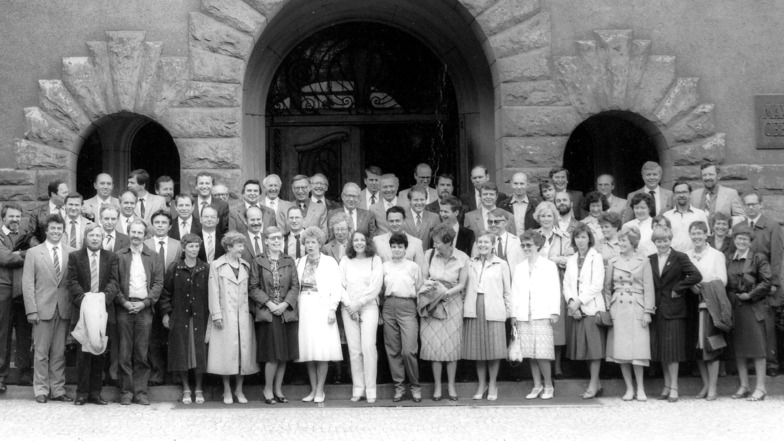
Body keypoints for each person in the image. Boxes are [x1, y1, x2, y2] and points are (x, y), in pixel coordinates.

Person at [22, 214, 73, 403]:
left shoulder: (71, 252)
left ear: (63, 231)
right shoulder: (34, 253)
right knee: (41, 352)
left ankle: (58, 389)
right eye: (52, 228)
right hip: (42, 308)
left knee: (59, 352)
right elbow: (27, 284)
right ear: (46, 230)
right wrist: (31, 310)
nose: (56, 232)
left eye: (59, 229)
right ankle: (41, 390)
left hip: (64, 308)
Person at [67, 223, 119, 405]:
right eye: (91, 236)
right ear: (86, 238)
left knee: (99, 350)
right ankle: (81, 393)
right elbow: (72, 282)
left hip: (103, 309)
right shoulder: (75, 257)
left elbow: (114, 281)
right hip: (83, 308)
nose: (95, 238)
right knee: (83, 352)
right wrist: (86, 301)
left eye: (98, 235)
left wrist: (102, 300)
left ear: (102, 238)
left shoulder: (110, 257)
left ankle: (96, 393)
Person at [648, 226, 702, 402]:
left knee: (673, 351)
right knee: (662, 351)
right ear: (654, 242)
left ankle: (674, 388)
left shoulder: (680, 257)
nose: (662, 244)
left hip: (674, 310)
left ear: (670, 240)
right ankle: (666, 386)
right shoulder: (650, 259)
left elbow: (696, 275)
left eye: (665, 240)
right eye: (658, 241)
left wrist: (678, 288)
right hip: (657, 309)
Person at [248, 226, 300, 405]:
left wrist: (285, 305)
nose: (277, 241)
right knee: (272, 354)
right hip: (268, 314)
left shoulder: (289, 260)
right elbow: (253, 287)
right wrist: (270, 304)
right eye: (273, 238)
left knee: (284, 354)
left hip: (286, 313)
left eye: (279, 238)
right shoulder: (258, 261)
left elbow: (295, 286)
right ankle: (268, 389)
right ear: (266, 241)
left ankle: (278, 389)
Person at [207, 231, 260, 405]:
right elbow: (213, 291)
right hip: (225, 315)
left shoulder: (245, 265)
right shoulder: (217, 265)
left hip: (243, 316)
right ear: (229, 247)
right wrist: (216, 315)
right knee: (226, 354)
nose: (242, 249)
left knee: (243, 355)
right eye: (239, 246)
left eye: (242, 246)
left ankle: (239, 389)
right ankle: (227, 390)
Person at [603, 225, 655, 401]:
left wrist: (648, 311)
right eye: (620, 241)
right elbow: (607, 288)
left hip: (637, 307)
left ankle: (641, 388)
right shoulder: (613, 261)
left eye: (624, 240)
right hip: (620, 308)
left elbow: (649, 288)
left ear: (633, 242)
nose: (620, 244)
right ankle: (629, 388)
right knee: (622, 352)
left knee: (638, 352)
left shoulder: (643, 261)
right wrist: (609, 307)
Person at [115, 219, 164, 405]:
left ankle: (141, 393)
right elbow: (114, 283)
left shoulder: (154, 256)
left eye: (139, 233)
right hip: (124, 308)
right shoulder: (119, 255)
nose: (136, 236)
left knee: (142, 353)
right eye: (133, 232)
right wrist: (124, 303)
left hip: (144, 309)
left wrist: (145, 303)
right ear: (129, 233)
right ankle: (126, 392)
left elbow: (158, 283)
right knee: (125, 352)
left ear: (145, 235)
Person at [736, 191, 783, 377]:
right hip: (746, 285)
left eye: (754, 204)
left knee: (767, 324)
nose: (751, 207)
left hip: (766, 283)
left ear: (761, 205)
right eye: (747, 204)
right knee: (749, 324)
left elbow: (778, 257)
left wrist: (774, 283)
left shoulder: (772, 226)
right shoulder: (739, 226)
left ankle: (771, 364)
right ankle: (750, 364)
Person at [420, 224, 469, 401]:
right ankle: (438, 388)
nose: (435, 245)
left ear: (448, 242)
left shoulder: (463, 258)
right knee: (435, 347)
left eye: (438, 242)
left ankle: (451, 387)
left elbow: (462, 284)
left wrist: (446, 293)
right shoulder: (429, 255)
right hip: (433, 302)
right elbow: (424, 279)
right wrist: (437, 293)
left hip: (453, 303)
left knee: (451, 347)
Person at [159, 233, 209, 405]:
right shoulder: (175, 268)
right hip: (180, 318)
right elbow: (165, 293)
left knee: (199, 354)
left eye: (197, 246)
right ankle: (187, 388)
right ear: (184, 247)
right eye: (191, 246)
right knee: (183, 353)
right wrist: (166, 313)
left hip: (200, 318)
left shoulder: (205, 268)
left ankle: (199, 387)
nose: (194, 249)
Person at [511, 229, 561, 400]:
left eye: (529, 245)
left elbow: (555, 289)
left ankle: (548, 385)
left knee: (542, 353)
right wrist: (514, 315)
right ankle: (537, 385)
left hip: (542, 314)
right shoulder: (519, 268)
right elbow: (515, 292)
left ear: (538, 246)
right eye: (523, 245)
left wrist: (554, 311)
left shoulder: (549, 265)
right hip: (524, 314)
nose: (526, 248)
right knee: (530, 354)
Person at [295, 226, 342, 403]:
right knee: (308, 350)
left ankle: (321, 390)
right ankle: (313, 390)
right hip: (305, 307)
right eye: (307, 242)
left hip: (322, 307)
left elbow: (336, 287)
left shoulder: (329, 262)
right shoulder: (299, 261)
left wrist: (332, 308)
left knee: (322, 350)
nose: (310, 245)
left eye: (313, 242)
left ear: (320, 243)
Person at [463, 232, 511, 401]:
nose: (482, 245)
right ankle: (481, 384)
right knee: (478, 350)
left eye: (486, 242)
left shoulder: (501, 264)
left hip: (494, 308)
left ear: (492, 245)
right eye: (480, 242)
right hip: (474, 307)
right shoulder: (470, 263)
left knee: (494, 349)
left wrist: (509, 313)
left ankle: (492, 384)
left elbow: (507, 291)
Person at [685, 221, 729, 401]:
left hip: (710, 306)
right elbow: (685, 276)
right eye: (693, 234)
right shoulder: (687, 255)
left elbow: (723, 280)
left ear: (706, 234)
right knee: (697, 347)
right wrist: (691, 286)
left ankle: (713, 388)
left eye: (699, 233)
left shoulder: (716, 255)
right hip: (692, 304)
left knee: (712, 345)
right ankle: (704, 384)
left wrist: (703, 286)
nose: (696, 237)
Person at [726, 225, 772, 401]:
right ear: (734, 239)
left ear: (750, 241)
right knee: (740, 348)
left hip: (753, 307)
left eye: (745, 238)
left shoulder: (758, 258)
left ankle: (760, 388)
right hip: (735, 306)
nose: (741, 241)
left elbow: (767, 281)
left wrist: (750, 295)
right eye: (738, 238)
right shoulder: (730, 258)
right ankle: (744, 385)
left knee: (757, 348)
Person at [563, 224, 606, 399]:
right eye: (577, 237)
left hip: (591, 308)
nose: (580, 241)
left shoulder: (597, 257)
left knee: (594, 351)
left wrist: (579, 302)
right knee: (586, 350)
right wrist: (572, 302)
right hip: (577, 309)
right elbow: (566, 283)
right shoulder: (572, 259)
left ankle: (593, 385)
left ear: (589, 239)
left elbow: (597, 285)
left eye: (583, 237)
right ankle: (597, 383)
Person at [339, 231, 383, 403]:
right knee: (355, 350)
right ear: (351, 243)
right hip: (349, 308)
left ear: (367, 242)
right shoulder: (345, 260)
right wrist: (351, 305)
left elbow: (376, 286)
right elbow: (340, 284)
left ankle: (371, 390)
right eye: (355, 240)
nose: (359, 243)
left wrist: (359, 303)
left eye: (362, 240)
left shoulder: (375, 260)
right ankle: (358, 389)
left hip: (369, 307)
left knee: (368, 347)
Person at [534, 201, 573, 378]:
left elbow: (569, 259)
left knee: (556, 324)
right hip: (537, 283)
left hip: (558, 281)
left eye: (549, 215)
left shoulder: (563, 236)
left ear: (554, 217)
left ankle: (556, 365)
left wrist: (550, 261)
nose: (546, 219)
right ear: (538, 218)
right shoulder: (533, 235)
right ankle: (543, 364)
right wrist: (556, 259)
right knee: (540, 323)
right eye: (543, 216)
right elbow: (530, 258)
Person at [382, 233, 423, 402]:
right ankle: (399, 387)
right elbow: (379, 288)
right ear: (390, 248)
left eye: (400, 246)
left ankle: (415, 386)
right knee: (393, 350)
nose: (396, 249)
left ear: (406, 249)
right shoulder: (384, 266)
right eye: (394, 246)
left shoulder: (413, 267)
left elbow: (420, 289)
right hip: (389, 306)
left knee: (408, 350)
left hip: (408, 306)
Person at [144, 210, 182, 385]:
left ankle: (173, 373)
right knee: (153, 337)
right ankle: (156, 372)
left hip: (172, 296)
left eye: (164, 223)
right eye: (157, 222)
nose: (160, 225)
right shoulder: (145, 244)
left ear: (170, 226)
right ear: (152, 225)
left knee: (172, 335)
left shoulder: (178, 245)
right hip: (150, 294)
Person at [0, 203, 32, 392]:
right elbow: (4, 258)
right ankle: (1, 377)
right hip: (3, 290)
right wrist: (22, 255)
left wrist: (18, 253)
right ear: (3, 218)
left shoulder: (25, 236)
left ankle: (24, 374)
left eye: (18, 217)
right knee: (2, 333)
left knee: (24, 333)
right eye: (11, 216)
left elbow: (36, 253)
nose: (15, 220)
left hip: (22, 290)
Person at [373, 206, 426, 272]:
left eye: (397, 221)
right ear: (387, 222)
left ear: (404, 221)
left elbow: (420, 271)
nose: (394, 224)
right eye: (391, 221)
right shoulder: (377, 241)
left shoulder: (416, 243)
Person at [663, 181, 709, 252]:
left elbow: (706, 236)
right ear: (674, 195)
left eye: (684, 192)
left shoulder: (700, 214)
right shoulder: (667, 216)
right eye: (678, 192)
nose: (681, 195)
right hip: (673, 258)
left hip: (695, 257)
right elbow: (663, 238)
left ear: (690, 194)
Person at [26, 179, 68, 244]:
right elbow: (30, 235)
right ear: (53, 194)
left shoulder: (72, 210)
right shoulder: (37, 212)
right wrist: (41, 249)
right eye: (64, 193)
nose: (67, 195)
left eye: (67, 192)